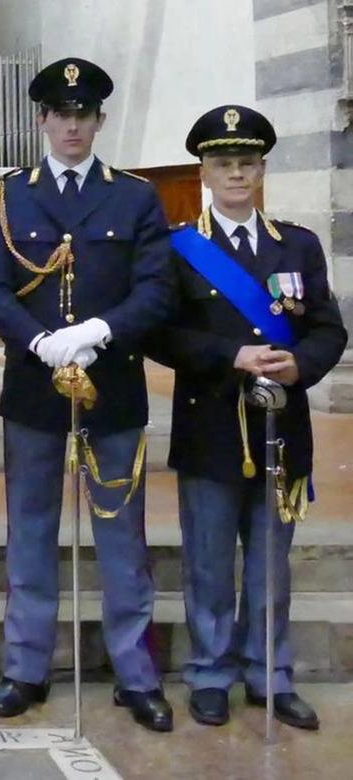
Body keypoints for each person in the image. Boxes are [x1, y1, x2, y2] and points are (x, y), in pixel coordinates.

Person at [0, 57, 175, 732]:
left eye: (83, 116)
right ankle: (25, 668)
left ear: (99, 121)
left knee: (122, 536)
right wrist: (40, 343)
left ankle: (136, 673)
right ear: (42, 119)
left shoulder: (135, 197)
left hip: (111, 387)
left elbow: (155, 290)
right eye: (61, 115)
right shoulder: (9, 195)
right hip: (34, 389)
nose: (72, 127)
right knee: (30, 533)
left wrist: (98, 331)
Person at [145, 105, 345, 731]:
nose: (236, 172)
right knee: (207, 561)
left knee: (270, 562)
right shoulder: (180, 248)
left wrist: (298, 365)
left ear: (260, 170)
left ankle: (269, 674)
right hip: (210, 427)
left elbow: (327, 328)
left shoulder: (298, 245)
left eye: (247, 162)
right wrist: (228, 354)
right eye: (223, 162)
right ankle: (209, 672)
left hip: (282, 426)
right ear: (203, 171)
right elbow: (158, 332)